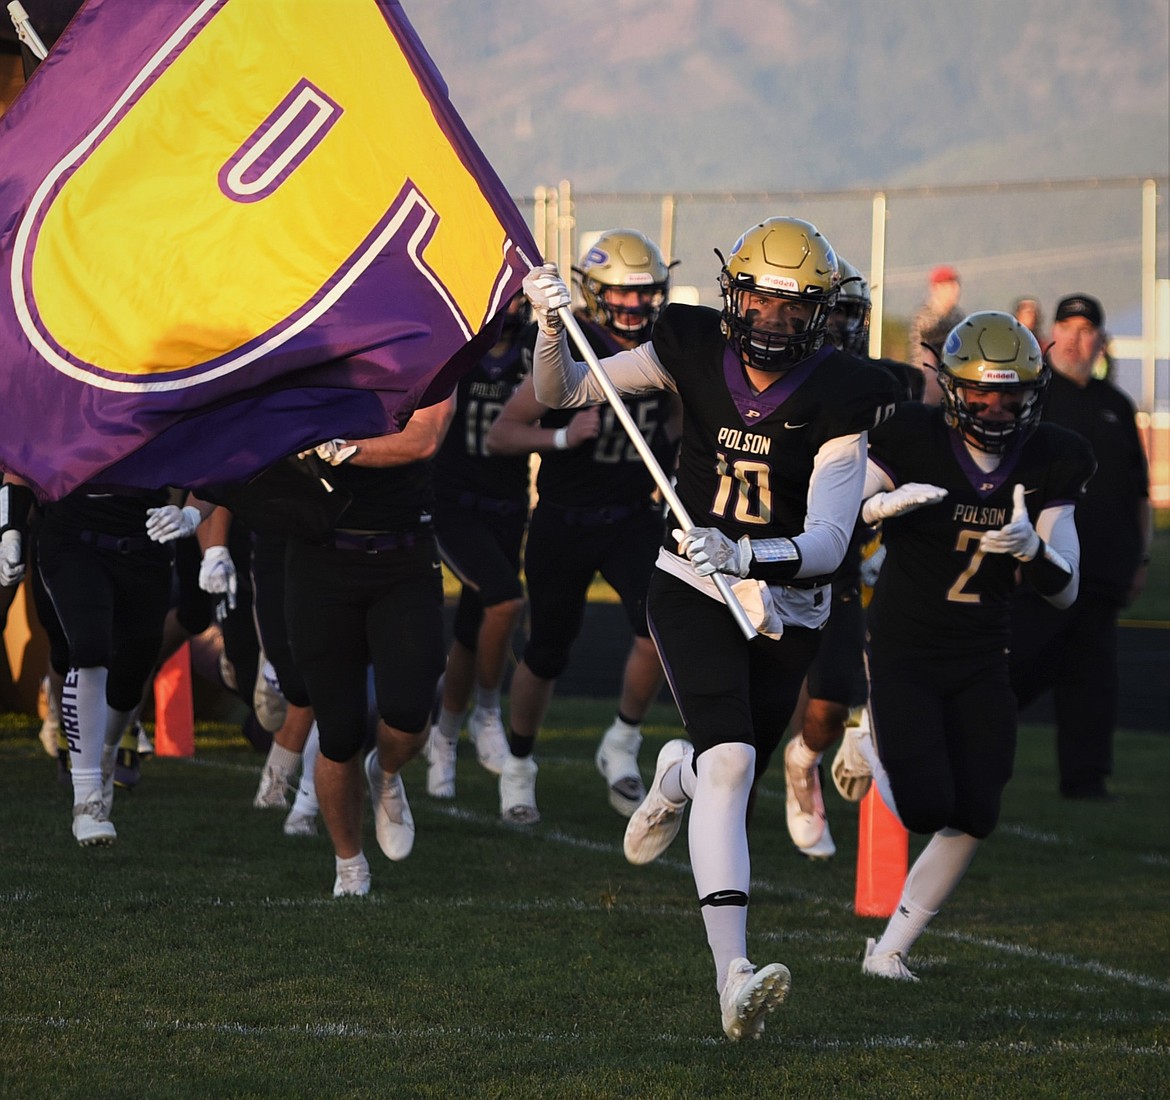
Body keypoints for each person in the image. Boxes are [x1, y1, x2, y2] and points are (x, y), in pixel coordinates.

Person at [524, 217, 901, 1041]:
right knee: (731, 761)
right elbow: (561, 394)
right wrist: (553, 328)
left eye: (793, 306)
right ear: (734, 294)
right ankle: (732, 976)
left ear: (821, 313)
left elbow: (832, 544)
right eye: (760, 299)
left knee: (725, 771)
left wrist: (748, 549)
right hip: (691, 580)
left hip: (788, 600)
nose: (771, 319)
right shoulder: (687, 343)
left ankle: (672, 777)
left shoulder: (841, 393)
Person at [836, 310, 1092, 981]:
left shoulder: (1052, 456)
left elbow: (1065, 591)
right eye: (980, 390)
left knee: (977, 810)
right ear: (951, 386)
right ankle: (870, 741)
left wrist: (1035, 550)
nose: (995, 405)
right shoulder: (911, 436)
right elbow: (840, 519)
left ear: (1032, 393)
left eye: (1009, 393)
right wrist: (876, 509)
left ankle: (890, 951)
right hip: (906, 648)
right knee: (924, 805)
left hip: (983, 652)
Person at [485, 229, 680, 824]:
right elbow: (502, 433)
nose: (633, 306)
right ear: (595, 294)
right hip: (565, 520)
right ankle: (518, 766)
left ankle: (622, 741)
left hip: (631, 517)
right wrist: (564, 436)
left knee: (661, 627)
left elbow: (675, 418)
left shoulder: (664, 347)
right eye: (621, 295)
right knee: (546, 652)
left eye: (644, 294)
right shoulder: (571, 345)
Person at [778, 258, 919, 860]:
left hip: (845, 551)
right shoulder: (777, 376)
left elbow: (921, 433)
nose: (836, 324)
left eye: (846, 312)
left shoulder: (891, 385)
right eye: (825, 310)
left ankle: (802, 761)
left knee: (834, 693)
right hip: (775, 544)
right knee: (758, 693)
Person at [285, 404, 454, 897]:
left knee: (408, 709)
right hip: (321, 556)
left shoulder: (430, 351)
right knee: (338, 729)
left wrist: (343, 450)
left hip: (403, 554)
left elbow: (423, 439)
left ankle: (386, 770)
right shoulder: (312, 349)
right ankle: (350, 864)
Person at [1007, 295, 1150, 800]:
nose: (1074, 337)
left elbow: (1139, 491)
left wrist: (1142, 557)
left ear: (1099, 341)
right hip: (1041, 569)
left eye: (1085, 329)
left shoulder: (1116, 406)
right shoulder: (1034, 397)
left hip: (1105, 571)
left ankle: (1086, 782)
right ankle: (973, 753)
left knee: (1093, 685)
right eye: (1065, 326)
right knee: (1013, 670)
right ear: (1053, 335)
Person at [1, 475, 184, 845]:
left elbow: (201, 449)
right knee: (86, 649)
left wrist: (191, 514)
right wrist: (10, 529)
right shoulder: (56, 412)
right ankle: (86, 800)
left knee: (133, 668)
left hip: (144, 535)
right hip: (71, 532)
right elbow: (21, 457)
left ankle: (107, 753)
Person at [425, 291, 534, 798]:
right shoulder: (453, 347)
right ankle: (487, 711)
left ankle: (442, 739)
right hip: (454, 504)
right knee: (505, 601)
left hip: (508, 507)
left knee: (473, 630)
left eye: (518, 295)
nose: (510, 306)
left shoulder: (538, 349)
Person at [908, 265, 963, 403]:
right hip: (928, 380)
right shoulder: (924, 318)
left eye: (955, 286)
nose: (954, 291)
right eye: (948, 286)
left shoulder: (958, 317)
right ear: (936, 289)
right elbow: (919, 358)